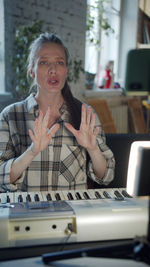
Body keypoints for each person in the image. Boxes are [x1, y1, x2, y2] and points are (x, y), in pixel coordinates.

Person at [0, 32, 115, 192]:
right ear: (32, 71)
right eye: (44, 62)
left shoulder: (85, 114)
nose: (53, 69)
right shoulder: (10, 116)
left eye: (59, 63)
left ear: (66, 71)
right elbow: (1, 179)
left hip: (73, 213)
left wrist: (93, 149)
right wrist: (31, 152)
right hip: (27, 213)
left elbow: (106, 177)